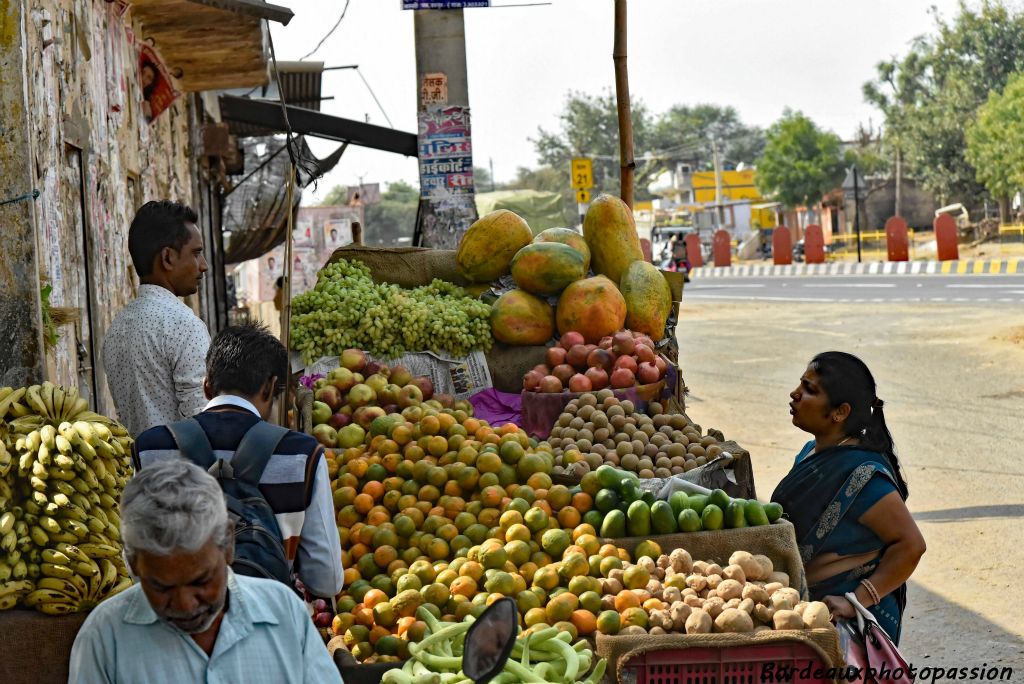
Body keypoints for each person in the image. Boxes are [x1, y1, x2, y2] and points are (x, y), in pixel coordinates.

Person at [68, 458, 342, 684]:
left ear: (228, 547)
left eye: (201, 581)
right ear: (133, 563)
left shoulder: (284, 613)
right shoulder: (104, 637)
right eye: (161, 587)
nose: (185, 604)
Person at [133, 322, 343, 601]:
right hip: (269, 625)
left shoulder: (150, 449)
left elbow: (136, 566)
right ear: (270, 388)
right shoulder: (302, 455)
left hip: (175, 624)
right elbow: (326, 581)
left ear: (206, 386)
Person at [771, 352, 926, 644]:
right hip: (807, 609)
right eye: (800, 384)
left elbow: (912, 545)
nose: (795, 394)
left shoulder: (864, 476)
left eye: (809, 390)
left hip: (847, 625)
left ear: (840, 412)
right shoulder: (809, 452)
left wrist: (856, 600)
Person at [103, 201, 210, 436]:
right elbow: (203, 422)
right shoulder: (184, 326)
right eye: (196, 253)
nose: (204, 266)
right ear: (168, 258)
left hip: (137, 469)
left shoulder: (117, 328)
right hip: (180, 471)